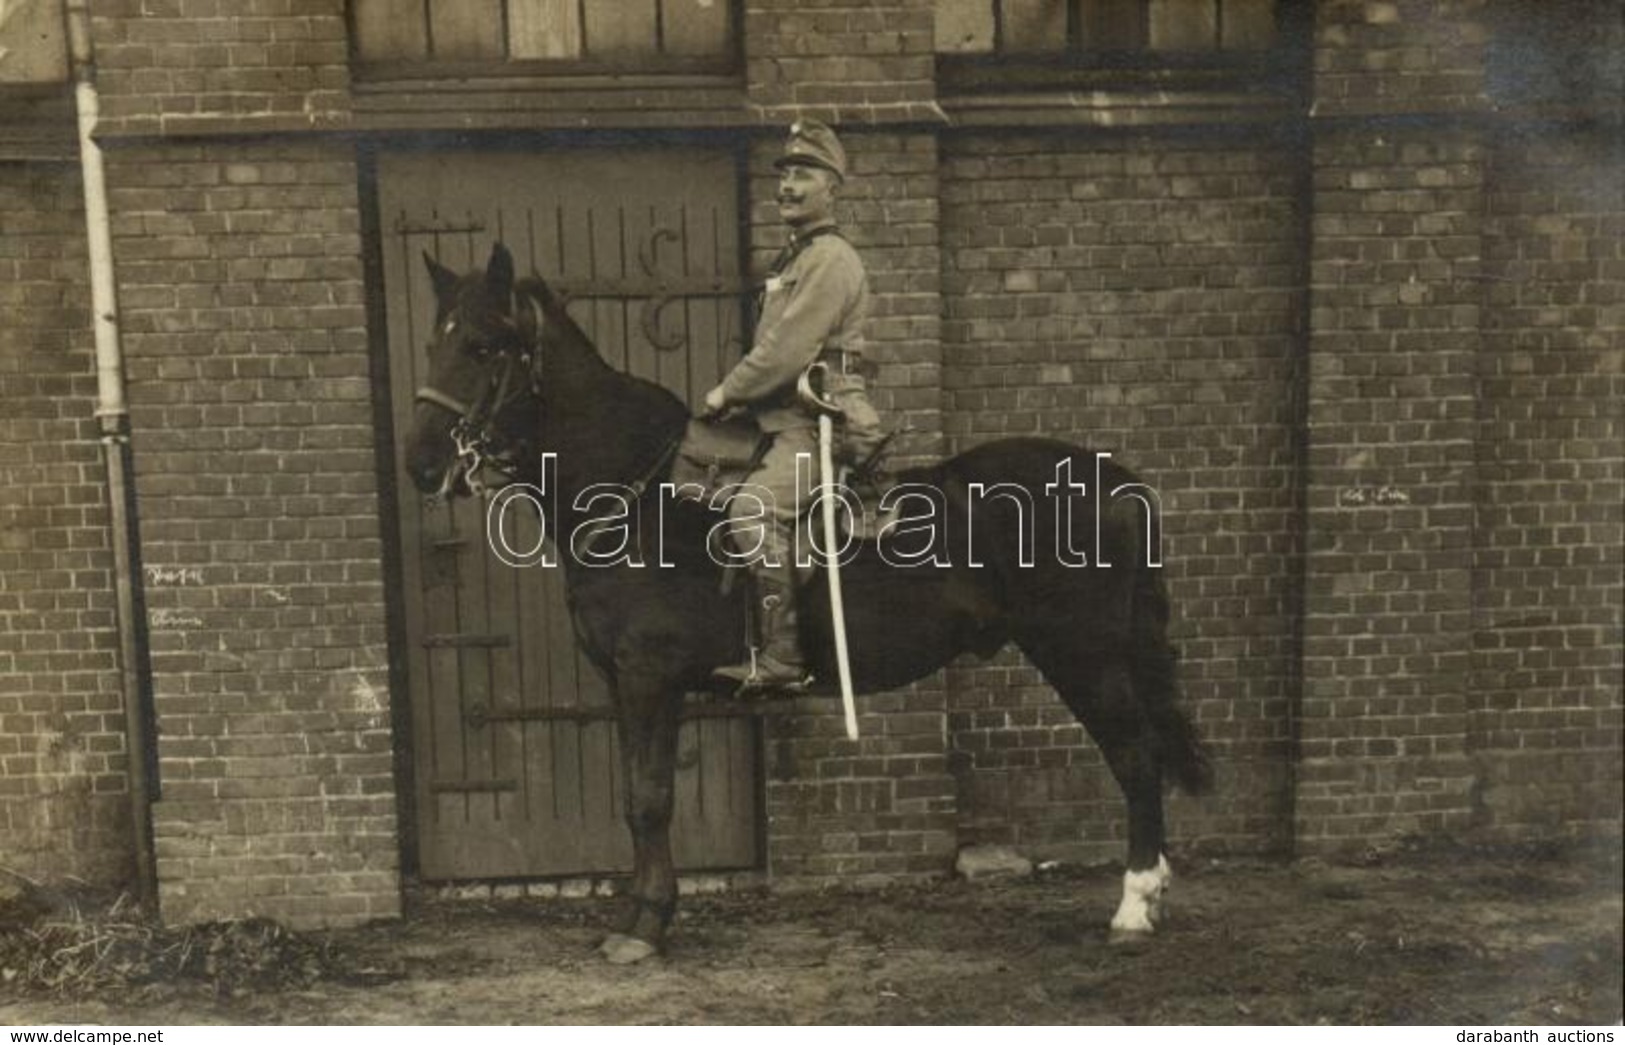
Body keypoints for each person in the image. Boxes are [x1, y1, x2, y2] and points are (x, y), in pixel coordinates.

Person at [702, 118, 884, 691]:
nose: (787, 186)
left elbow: (785, 353)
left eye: (803, 175)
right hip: (786, 418)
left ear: (833, 186)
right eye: (784, 175)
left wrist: (726, 391)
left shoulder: (828, 259)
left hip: (819, 424)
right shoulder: (798, 258)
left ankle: (783, 656)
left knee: (752, 510)